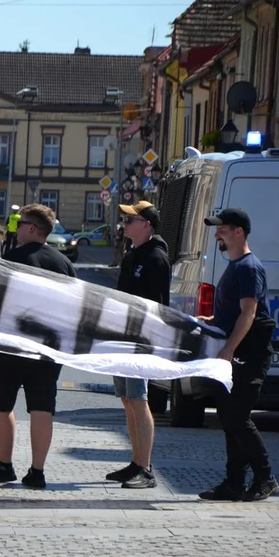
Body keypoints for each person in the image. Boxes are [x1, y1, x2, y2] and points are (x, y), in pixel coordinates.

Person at [0, 203, 75, 488]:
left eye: (19, 223)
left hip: (11, 343)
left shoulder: (12, 258)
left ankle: (4, 464)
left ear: (31, 228)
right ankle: (37, 471)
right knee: (42, 408)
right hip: (48, 347)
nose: (16, 227)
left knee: (2, 404)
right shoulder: (63, 263)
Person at [198, 209, 279, 502]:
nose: (217, 233)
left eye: (223, 228)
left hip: (248, 353)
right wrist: (213, 319)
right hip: (236, 353)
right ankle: (233, 482)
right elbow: (235, 312)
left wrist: (228, 349)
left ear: (239, 232)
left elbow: (249, 313)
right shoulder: (234, 265)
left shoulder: (248, 267)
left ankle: (265, 476)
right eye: (217, 229)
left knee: (237, 418)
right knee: (229, 417)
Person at [109, 201, 171, 489]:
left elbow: (159, 307)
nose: (125, 223)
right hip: (122, 337)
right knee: (127, 399)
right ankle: (136, 461)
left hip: (140, 340)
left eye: (130, 219)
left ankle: (145, 469)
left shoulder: (156, 258)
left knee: (138, 399)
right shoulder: (133, 255)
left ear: (146, 224)